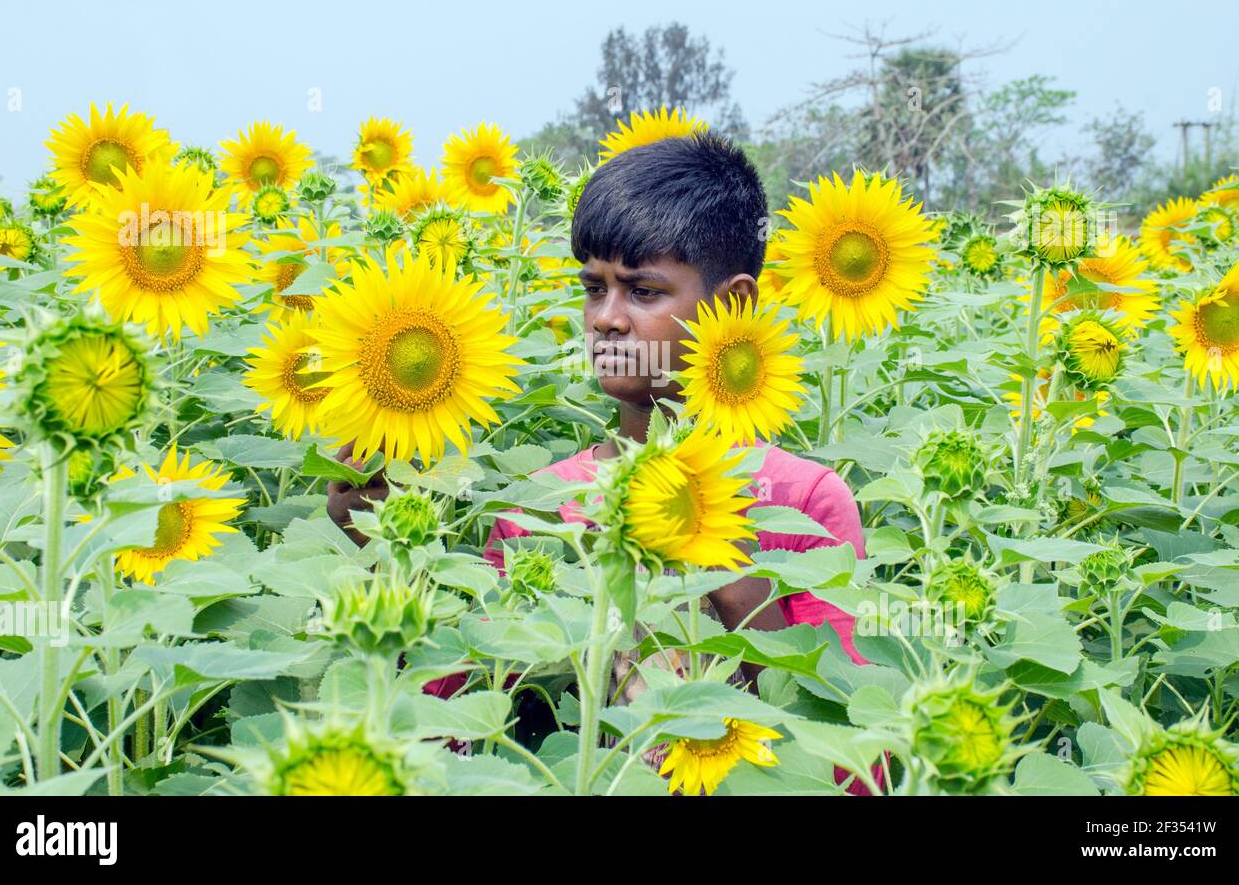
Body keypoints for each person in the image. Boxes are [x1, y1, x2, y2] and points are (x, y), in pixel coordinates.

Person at [328, 132, 882, 791]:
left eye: (643, 292)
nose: (608, 321)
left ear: (733, 303)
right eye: (594, 289)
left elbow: (855, 758)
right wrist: (374, 543)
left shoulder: (803, 501)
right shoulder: (539, 507)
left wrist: (739, 594)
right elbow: (445, 728)